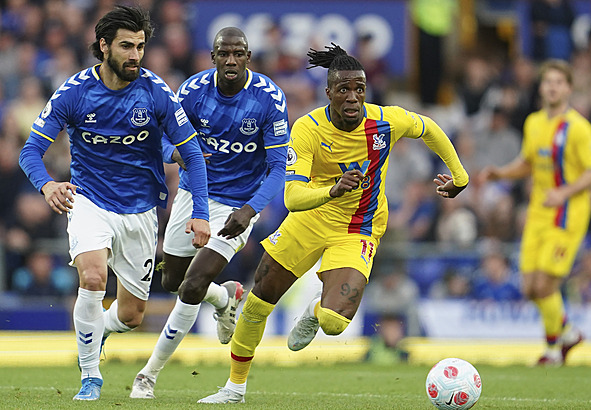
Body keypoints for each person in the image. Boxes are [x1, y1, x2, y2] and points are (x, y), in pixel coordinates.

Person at [199, 43, 469, 404]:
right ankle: (234, 389)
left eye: (359, 88)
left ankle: (313, 312)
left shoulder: (385, 121)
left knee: (334, 322)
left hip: (359, 227)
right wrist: (331, 191)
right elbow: (292, 198)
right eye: (344, 89)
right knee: (258, 303)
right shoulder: (308, 128)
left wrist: (460, 175)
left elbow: (429, 128)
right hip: (309, 220)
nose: (353, 97)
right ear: (328, 93)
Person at [18, 5, 211, 401]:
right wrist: (47, 185)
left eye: (140, 46)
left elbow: (192, 155)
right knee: (92, 278)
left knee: (131, 316)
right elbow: (30, 152)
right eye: (126, 46)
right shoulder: (74, 92)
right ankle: (90, 375)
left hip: (140, 210)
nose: (135, 55)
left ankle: (99, 329)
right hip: (88, 200)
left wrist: (201, 214)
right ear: (104, 46)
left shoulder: (156, 92)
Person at [129, 27, 289, 399]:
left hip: (237, 205)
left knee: (191, 285)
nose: (231, 60)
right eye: (223, 53)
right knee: (171, 280)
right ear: (213, 57)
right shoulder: (193, 91)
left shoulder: (268, 99)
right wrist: (177, 154)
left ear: (248, 57)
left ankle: (148, 375)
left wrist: (249, 211)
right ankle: (224, 298)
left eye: (238, 53)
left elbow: (279, 168)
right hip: (192, 193)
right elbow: (163, 136)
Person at [480, 59, 591, 366]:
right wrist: (500, 174)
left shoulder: (578, 127)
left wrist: (563, 192)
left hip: (567, 215)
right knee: (528, 287)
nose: (552, 87)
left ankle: (553, 351)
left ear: (569, 88)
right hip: (538, 213)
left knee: (544, 285)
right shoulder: (534, 122)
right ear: (541, 87)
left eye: (558, 82)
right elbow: (528, 163)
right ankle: (568, 331)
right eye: (547, 81)